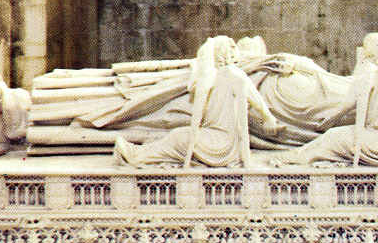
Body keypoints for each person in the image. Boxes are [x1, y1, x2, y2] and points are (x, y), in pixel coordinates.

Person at [113, 36, 283, 167]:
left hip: (222, 143)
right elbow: (196, 94)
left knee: (180, 137)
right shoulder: (213, 77)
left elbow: (256, 102)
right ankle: (138, 154)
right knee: (178, 136)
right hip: (213, 136)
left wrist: (268, 119)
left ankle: (136, 156)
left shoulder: (235, 75)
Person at [272, 33, 378, 166]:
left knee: (334, 138)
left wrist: (329, 120)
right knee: (333, 135)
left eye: (367, 49)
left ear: (376, 51)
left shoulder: (371, 78)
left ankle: (299, 157)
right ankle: (297, 155)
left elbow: (347, 105)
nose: (364, 52)